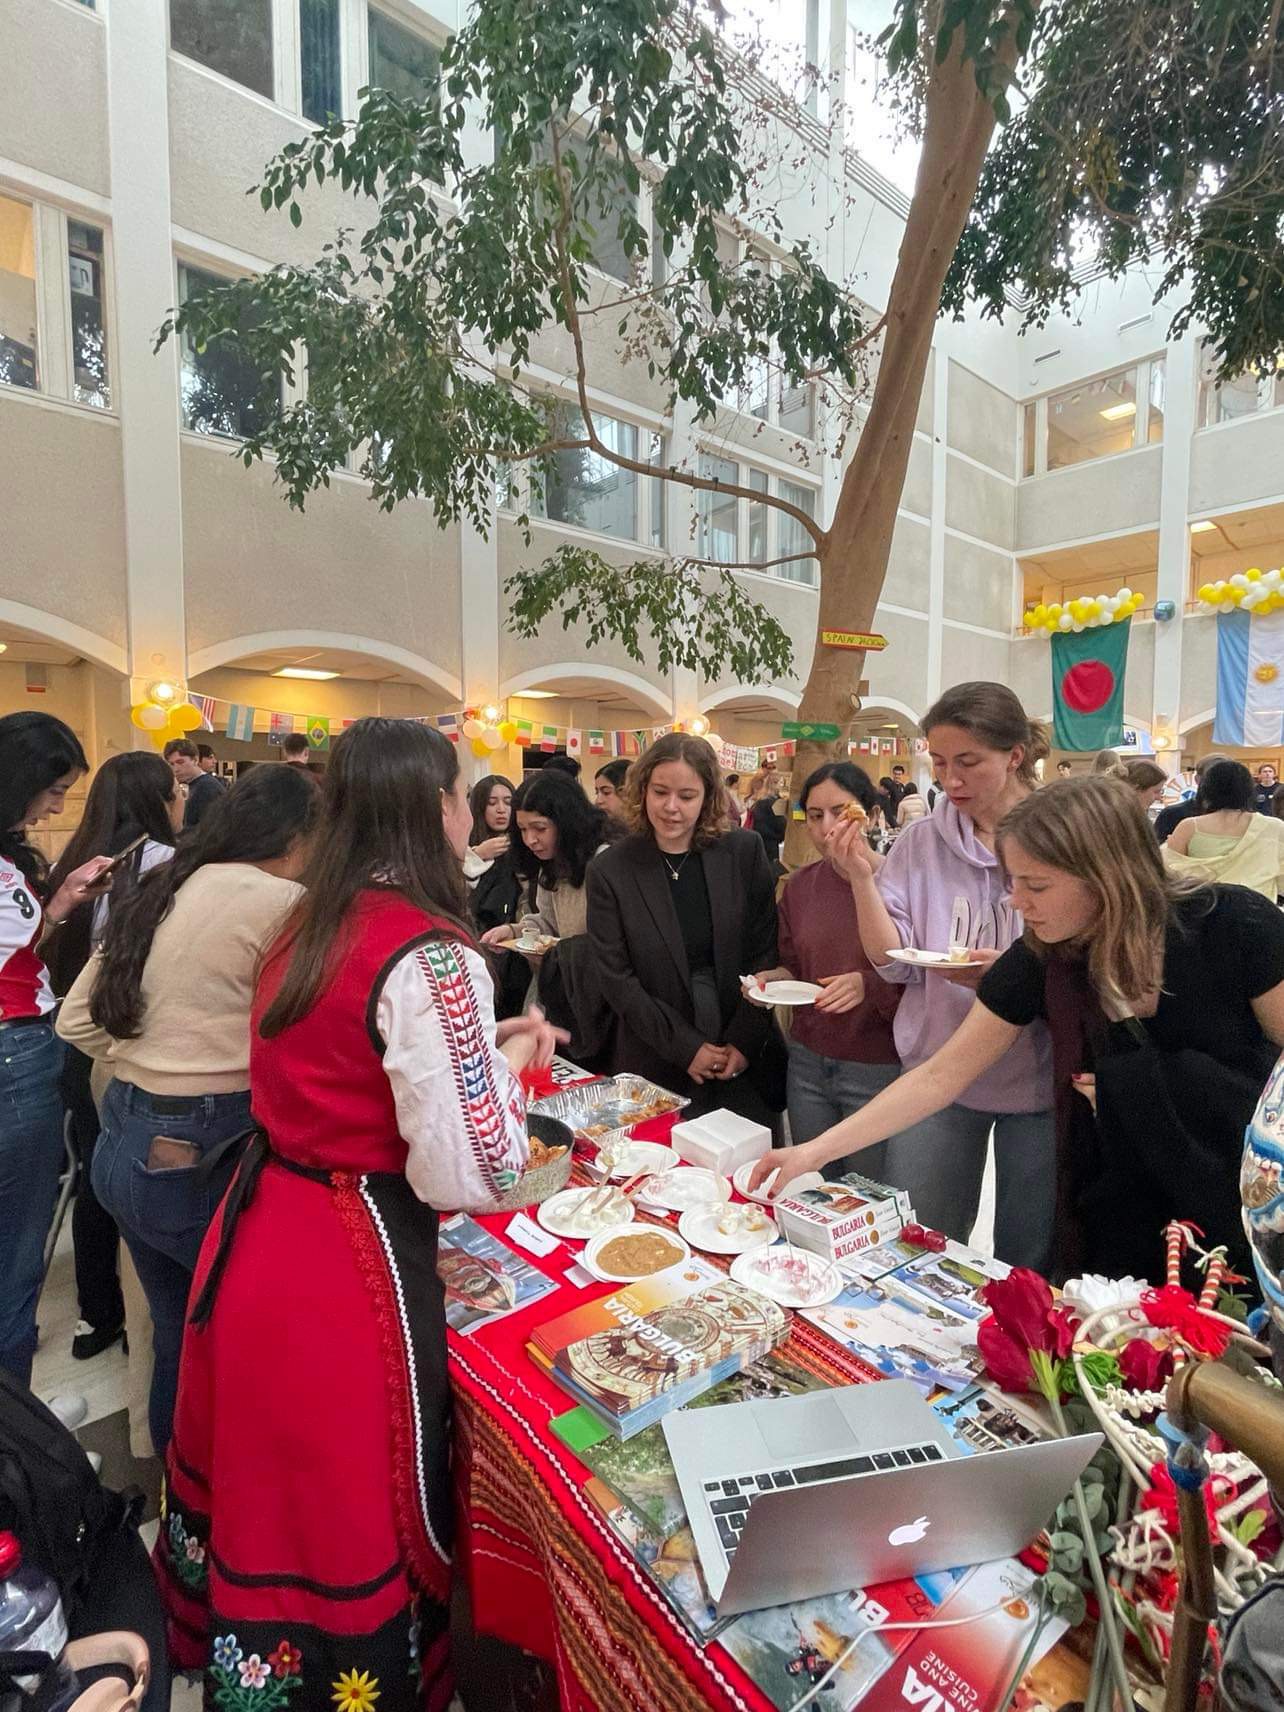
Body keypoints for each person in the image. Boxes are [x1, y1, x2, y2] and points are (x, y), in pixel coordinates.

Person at [155, 719, 558, 1711]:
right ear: (436, 810)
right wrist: (508, 1072)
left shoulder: (308, 915)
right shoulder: (432, 953)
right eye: (465, 794)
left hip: (264, 1230)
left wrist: (472, 1061)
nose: (475, 811)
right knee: (345, 1495)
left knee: (269, 1478)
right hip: (349, 1253)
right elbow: (471, 1168)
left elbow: (345, 1065)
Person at [752, 775, 1284, 1284]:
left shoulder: (1235, 925)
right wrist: (811, 1152)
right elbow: (941, 1074)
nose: (1014, 901)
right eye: (1013, 881)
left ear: (1107, 873)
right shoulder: (1041, 954)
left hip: (1245, 1198)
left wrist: (1165, 1087)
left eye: (1035, 884)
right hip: (1121, 1200)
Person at [57, 765, 319, 1452]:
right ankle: (235, 1515)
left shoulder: (163, 883)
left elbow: (76, 1024)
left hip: (122, 1143)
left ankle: (186, 1514)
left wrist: (147, 1066)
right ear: (299, 838)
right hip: (207, 1149)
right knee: (243, 1349)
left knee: (179, 1338)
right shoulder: (283, 901)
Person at [824, 682, 1056, 1269]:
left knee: (1032, 1253)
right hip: (936, 1066)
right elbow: (893, 961)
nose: (951, 781)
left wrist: (1013, 976)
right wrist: (859, 880)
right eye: (941, 762)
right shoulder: (922, 840)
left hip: (1041, 1072)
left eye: (969, 762)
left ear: (1016, 755)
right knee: (925, 1237)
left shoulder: (1060, 836)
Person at [43, 753, 183, 1362]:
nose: (183, 799)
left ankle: (94, 1315)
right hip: (127, 1043)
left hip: (71, 1041)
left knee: (96, 1182)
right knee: (136, 1186)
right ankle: (140, 1321)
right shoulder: (163, 865)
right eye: (175, 789)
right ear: (157, 800)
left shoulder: (71, 861)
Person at [0, 712, 115, 1384]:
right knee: (19, 1241)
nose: (56, 805)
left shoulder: (14, 857)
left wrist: (63, 901)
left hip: (22, 1040)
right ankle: (20, 1443)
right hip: (16, 1055)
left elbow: (17, 953)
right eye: (52, 789)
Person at [587, 733, 782, 1122]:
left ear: (708, 797)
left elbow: (765, 949)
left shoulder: (743, 851)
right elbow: (616, 976)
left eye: (687, 796)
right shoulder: (611, 870)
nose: (671, 807)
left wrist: (742, 1042)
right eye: (660, 792)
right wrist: (685, 1046)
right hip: (654, 1056)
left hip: (742, 1053)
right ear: (642, 790)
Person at [751, 763, 900, 1172]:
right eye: (815, 816)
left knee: (869, 1197)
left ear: (869, 815)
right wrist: (770, 982)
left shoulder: (900, 881)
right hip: (807, 1061)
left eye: (840, 812)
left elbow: (924, 977)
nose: (826, 828)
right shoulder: (800, 886)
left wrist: (867, 983)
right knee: (813, 1187)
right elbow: (794, 967)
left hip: (878, 1065)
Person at [481, 769, 611, 953]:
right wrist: (514, 932)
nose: (530, 840)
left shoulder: (603, 863)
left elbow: (610, 941)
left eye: (540, 828)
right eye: (523, 829)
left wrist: (561, 955)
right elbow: (549, 924)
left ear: (567, 823)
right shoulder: (551, 862)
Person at [1163, 760, 1284, 901]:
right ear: (1250, 790)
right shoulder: (1274, 827)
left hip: (1201, 911)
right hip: (1256, 912)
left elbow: (1168, 874)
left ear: (1206, 789)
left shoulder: (1189, 827)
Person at [1154, 751, 1228, 842]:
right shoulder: (1172, 814)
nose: (1220, 783)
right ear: (1197, 779)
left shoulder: (1243, 817)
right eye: (1212, 777)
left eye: (1226, 778)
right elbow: (1157, 851)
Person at [463, 774, 513, 887]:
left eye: (508, 802)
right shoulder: (463, 843)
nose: (501, 809)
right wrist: (478, 855)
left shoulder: (523, 843)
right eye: (492, 803)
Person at [164, 739, 224, 828]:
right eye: (172, 764)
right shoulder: (188, 785)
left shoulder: (208, 787)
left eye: (180, 762)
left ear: (195, 760)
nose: (175, 769)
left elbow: (210, 829)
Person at [747, 771, 787, 870]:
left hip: (759, 842)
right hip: (771, 845)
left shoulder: (760, 801)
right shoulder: (776, 803)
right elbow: (781, 824)